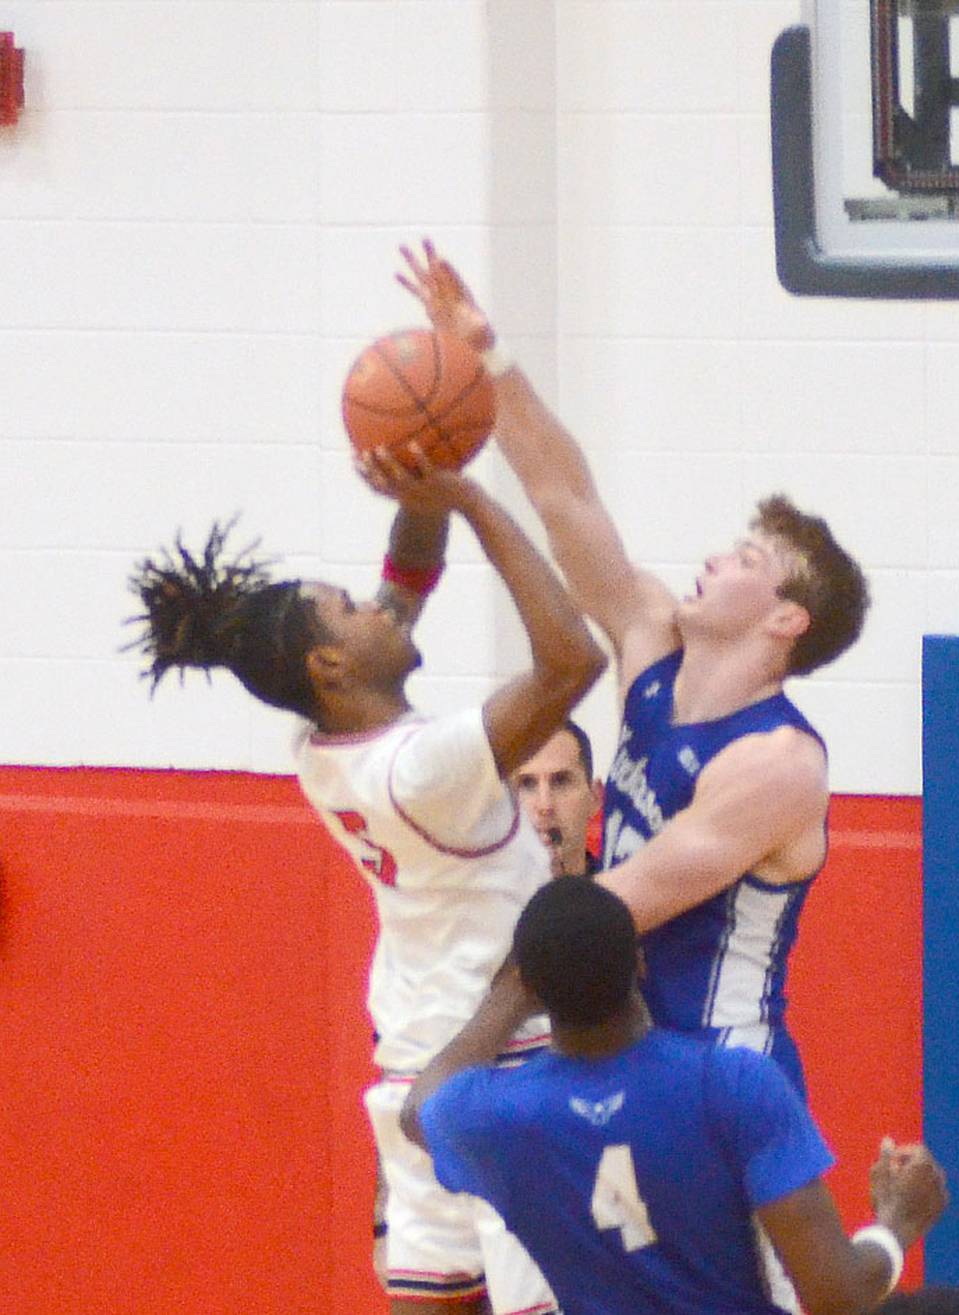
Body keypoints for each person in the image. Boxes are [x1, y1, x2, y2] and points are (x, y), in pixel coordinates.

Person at [128, 451, 606, 1315]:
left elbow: (407, 578)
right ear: (330, 667)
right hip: (503, 1066)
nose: (376, 604)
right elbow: (572, 659)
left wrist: (418, 486)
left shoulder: (322, 750)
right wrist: (469, 497)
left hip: (410, 1070)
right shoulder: (422, 768)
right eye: (348, 610)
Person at [398, 240, 871, 1096]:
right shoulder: (651, 641)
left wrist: (466, 1000)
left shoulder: (778, 762)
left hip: (723, 1072)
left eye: (746, 557)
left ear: (784, 617)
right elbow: (564, 497)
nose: (714, 559)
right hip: (628, 1057)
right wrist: (486, 358)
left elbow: (620, 906)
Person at [412, 876, 950, 1315]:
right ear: (640, 961)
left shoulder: (497, 1116)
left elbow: (418, 1109)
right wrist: (897, 1225)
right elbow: (837, 1296)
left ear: (533, 988)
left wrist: (510, 996)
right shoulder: (732, 1084)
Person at [510, 719, 604, 876]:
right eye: (527, 783)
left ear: (595, 797)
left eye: (561, 781)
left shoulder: (624, 896)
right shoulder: (474, 897)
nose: (545, 806)